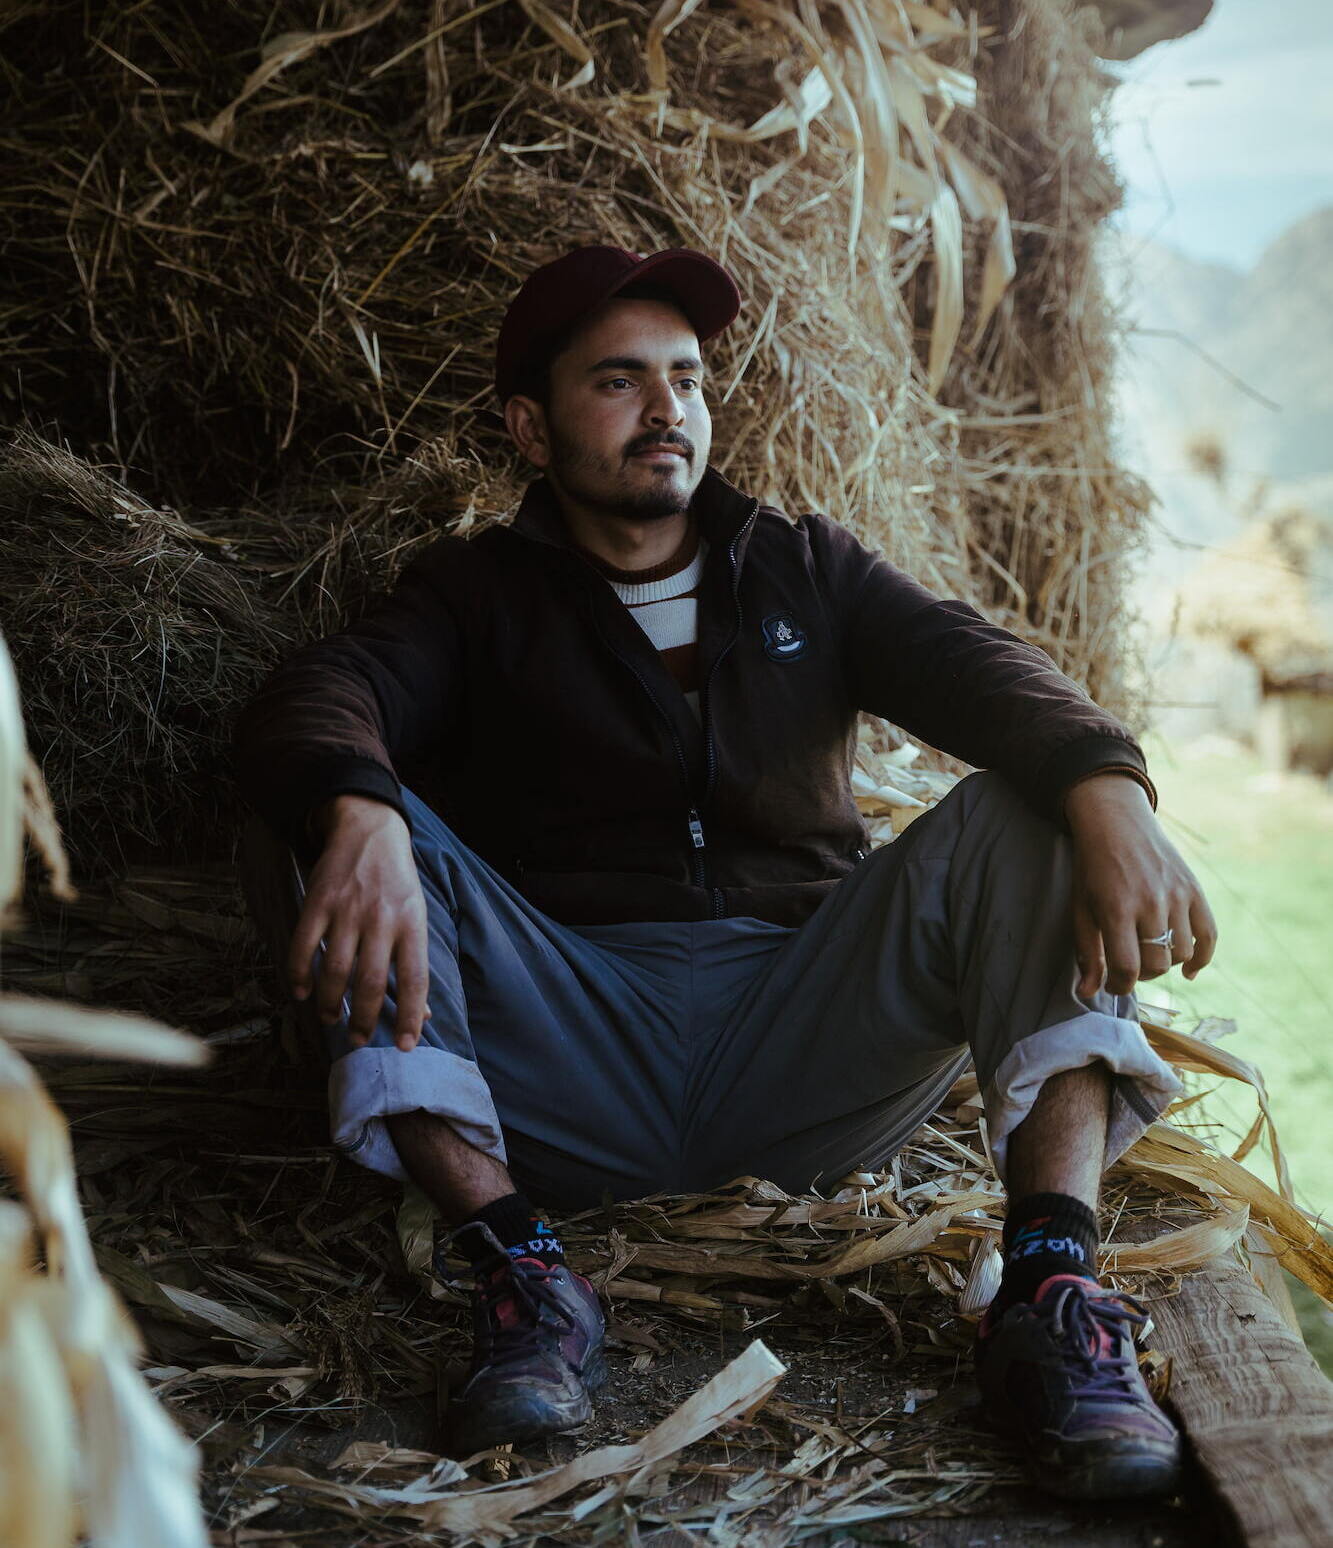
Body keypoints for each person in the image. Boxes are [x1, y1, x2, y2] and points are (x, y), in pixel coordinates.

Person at [232, 245, 1216, 1501]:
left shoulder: (803, 566)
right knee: (338, 818)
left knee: (1028, 809)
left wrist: (1107, 785)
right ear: (529, 428)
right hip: (574, 1043)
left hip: (804, 1034)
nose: (667, 409)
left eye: (687, 379)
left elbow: (982, 669)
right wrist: (361, 809)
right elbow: (320, 695)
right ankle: (520, 1268)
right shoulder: (476, 595)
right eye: (619, 381)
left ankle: (1052, 1289)